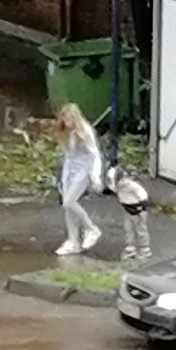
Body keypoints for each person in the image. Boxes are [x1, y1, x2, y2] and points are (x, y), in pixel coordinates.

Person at [54, 103, 103, 256]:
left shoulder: (85, 131)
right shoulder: (66, 132)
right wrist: (63, 178)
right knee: (67, 206)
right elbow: (68, 156)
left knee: (70, 202)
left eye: (69, 119)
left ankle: (92, 229)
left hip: (84, 170)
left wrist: (95, 176)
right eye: (64, 120)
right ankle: (73, 241)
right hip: (70, 171)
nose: (67, 123)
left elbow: (95, 155)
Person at [106, 165, 152, 261]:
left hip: (138, 210)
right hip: (127, 210)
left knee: (141, 230)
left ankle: (145, 249)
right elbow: (113, 189)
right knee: (128, 229)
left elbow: (143, 195)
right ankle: (130, 249)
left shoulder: (132, 186)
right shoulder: (119, 188)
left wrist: (141, 207)